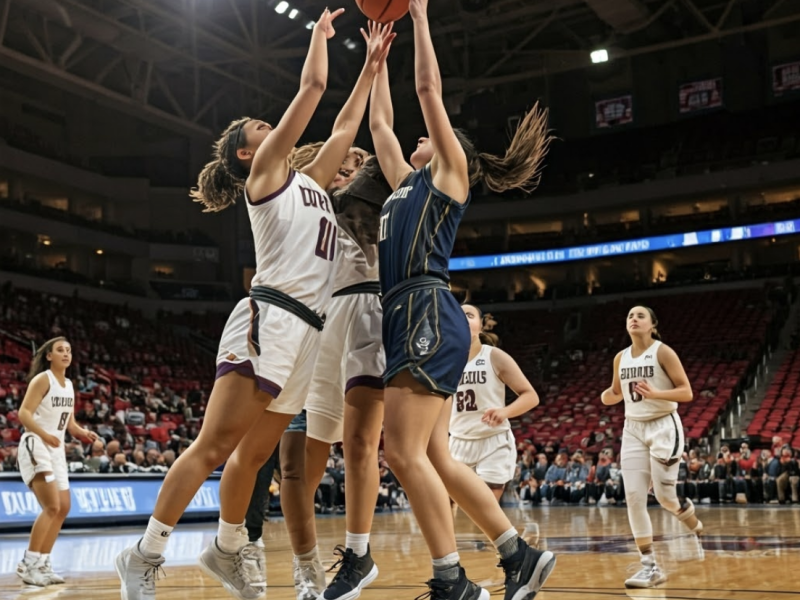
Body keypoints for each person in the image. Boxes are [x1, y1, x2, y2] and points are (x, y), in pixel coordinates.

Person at [116, 13, 394, 600]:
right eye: (262, 127)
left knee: (256, 453)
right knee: (213, 447)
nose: (272, 129)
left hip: (309, 333)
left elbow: (345, 124)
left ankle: (225, 549)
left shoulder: (313, 183)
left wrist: (371, 68)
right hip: (268, 319)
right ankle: (144, 553)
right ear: (248, 153)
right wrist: (318, 41)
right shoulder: (266, 177)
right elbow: (314, 92)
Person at [369, 1, 555, 598]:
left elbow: (427, 88)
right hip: (405, 312)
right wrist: (374, 68)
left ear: (454, 151)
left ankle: (452, 580)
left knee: (399, 452)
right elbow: (379, 129)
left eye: (429, 136)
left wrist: (420, 17)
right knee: (435, 457)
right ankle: (517, 555)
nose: (417, 139)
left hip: (425, 308)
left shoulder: (449, 175)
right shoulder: (405, 184)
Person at [601, 306, 704, 589]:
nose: (633, 319)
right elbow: (615, 393)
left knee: (665, 497)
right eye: (629, 316)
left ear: (652, 325)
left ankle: (691, 520)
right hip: (632, 428)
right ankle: (649, 566)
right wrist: (606, 395)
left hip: (663, 425)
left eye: (640, 316)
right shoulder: (620, 358)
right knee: (633, 497)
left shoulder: (663, 352)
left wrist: (657, 393)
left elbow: (686, 392)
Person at [16, 337, 99, 586]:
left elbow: (69, 423)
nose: (66, 354)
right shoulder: (43, 379)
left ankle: (43, 563)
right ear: (49, 356)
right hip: (36, 444)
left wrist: (83, 433)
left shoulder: (69, 384)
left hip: (56, 448)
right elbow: (24, 413)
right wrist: (44, 435)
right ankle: (28, 564)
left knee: (63, 507)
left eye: (69, 351)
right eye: (60, 350)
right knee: (51, 506)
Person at [449, 305, 539, 503]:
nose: (463, 318)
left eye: (469, 315)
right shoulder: (444, 361)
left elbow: (531, 396)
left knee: (486, 505)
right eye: (457, 314)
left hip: (492, 440)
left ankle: (504, 534)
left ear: (481, 327)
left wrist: (505, 411)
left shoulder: (493, 356)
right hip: (457, 440)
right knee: (446, 502)